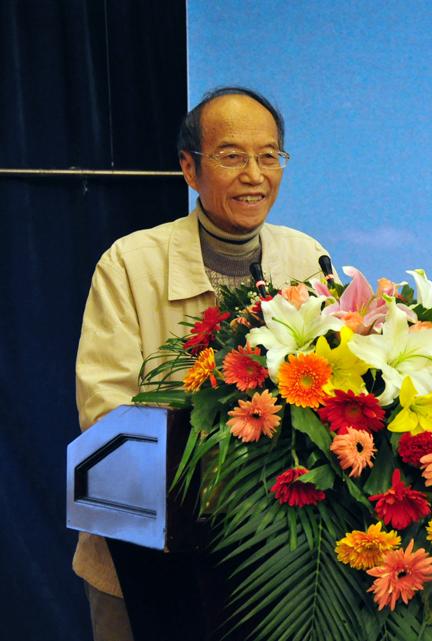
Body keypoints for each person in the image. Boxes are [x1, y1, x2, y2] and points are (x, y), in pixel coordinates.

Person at [74, 87, 333, 641]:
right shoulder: (130, 264)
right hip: (144, 561)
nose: (254, 175)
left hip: (275, 571)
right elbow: (105, 415)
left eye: (268, 156)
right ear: (189, 168)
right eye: (231, 156)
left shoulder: (307, 258)